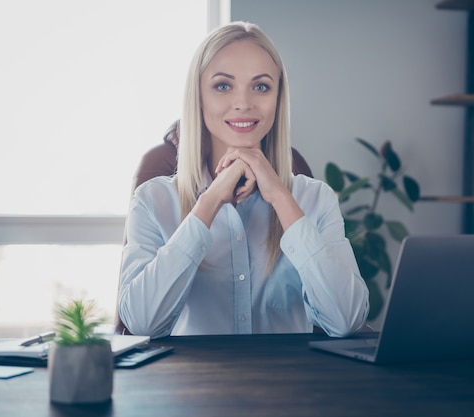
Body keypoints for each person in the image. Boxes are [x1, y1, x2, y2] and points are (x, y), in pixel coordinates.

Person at [118, 21, 369, 338]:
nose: (244, 103)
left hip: (289, 384)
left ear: (278, 99)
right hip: (191, 385)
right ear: (199, 97)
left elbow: (347, 320)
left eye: (261, 86)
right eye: (223, 86)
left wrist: (280, 195)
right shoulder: (153, 201)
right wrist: (208, 203)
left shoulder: (315, 200)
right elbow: (142, 323)